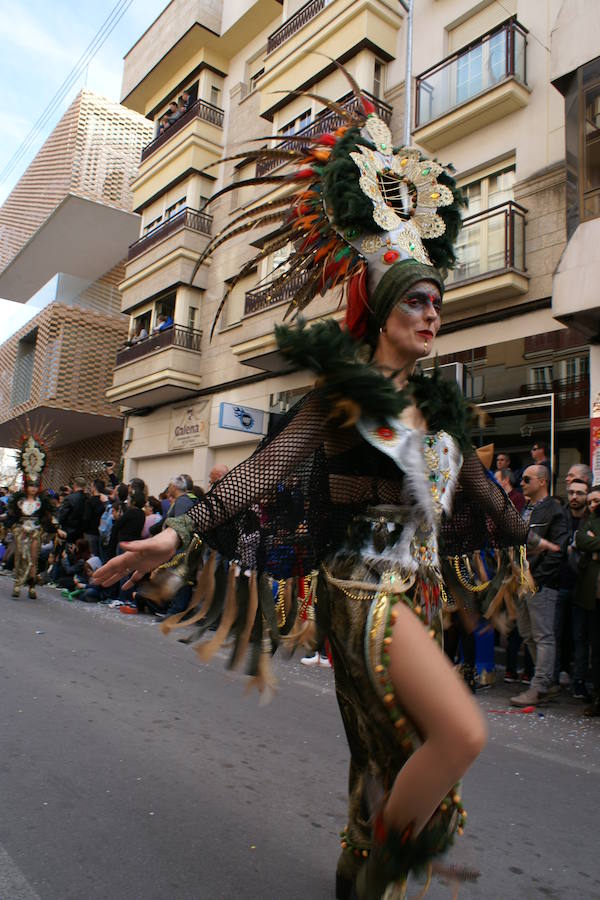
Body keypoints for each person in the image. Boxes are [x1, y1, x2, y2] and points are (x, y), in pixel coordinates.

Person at [95, 94, 558, 898]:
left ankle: (361, 874)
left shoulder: (439, 411)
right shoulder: (343, 394)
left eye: (437, 301)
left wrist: (532, 533)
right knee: (460, 732)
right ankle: (395, 851)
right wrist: (182, 532)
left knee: (384, 753)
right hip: (359, 589)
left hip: (412, 590)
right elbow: (266, 469)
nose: (432, 313)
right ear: (380, 312)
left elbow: (480, 489)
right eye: (416, 300)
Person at [510, 466, 568, 707]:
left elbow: (559, 548)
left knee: (543, 635)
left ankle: (540, 685)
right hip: (522, 580)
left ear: (542, 481)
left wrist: (539, 579)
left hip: (539, 583)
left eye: (526, 479)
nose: (521, 483)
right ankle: (547, 682)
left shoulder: (554, 509)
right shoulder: (526, 508)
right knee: (527, 633)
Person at [7, 426, 57, 599]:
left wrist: (56, 529)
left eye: (36, 486)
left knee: (33, 559)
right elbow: (12, 516)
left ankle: (31, 587)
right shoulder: (19, 500)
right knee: (20, 557)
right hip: (21, 531)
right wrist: (8, 525)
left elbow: (47, 518)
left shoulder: (41, 502)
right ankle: (17, 585)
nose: (34, 489)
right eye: (31, 486)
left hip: (35, 532)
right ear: (26, 486)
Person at [555, 477, 589, 697]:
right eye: (571, 493)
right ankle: (555, 677)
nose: (574, 497)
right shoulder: (561, 515)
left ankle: (578, 680)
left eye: (579, 493)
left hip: (582, 585)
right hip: (558, 582)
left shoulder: (592, 518)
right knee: (556, 633)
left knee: (579, 636)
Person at [573, 486, 600, 716]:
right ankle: (597, 698)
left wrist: (594, 544)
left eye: (596, 501)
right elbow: (580, 540)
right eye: (590, 501)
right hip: (591, 596)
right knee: (595, 649)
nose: (592, 505)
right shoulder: (589, 521)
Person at [57, 476, 87, 543]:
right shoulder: (88, 498)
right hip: (83, 530)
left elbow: (62, 515)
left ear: (74, 485)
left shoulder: (69, 498)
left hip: (69, 530)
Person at [82, 479, 108, 556]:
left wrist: (84, 529)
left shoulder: (89, 501)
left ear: (94, 488)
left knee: (91, 556)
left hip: (90, 532)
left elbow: (86, 518)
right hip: (102, 533)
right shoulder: (106, 501)